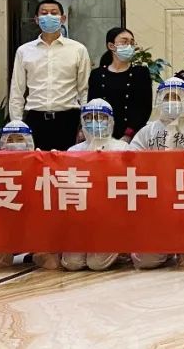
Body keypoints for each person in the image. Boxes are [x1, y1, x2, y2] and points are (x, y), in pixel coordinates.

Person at [129, 78, 184, 269]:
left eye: (176, 97)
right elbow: (131, 160)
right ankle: (165, 248)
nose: (171, 102)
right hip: (156, 202)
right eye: (167, 97)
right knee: (146, 261)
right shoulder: (147, 132)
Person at [0, 122, 61, 272]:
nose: (14, 144)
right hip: (5, 222)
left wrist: (53, 163)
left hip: (32, 223)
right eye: (10, 139)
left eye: (19, 139)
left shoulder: (41, 163)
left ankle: (43, 253)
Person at [7, 0, 92, 151]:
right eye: (44, 13)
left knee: (66, 164)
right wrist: (16, 124)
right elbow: (17, 91)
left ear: (63, 18)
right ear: (36, 19)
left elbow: (84, 89)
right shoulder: (24, 51)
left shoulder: (78, 50)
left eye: (54, 13)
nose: (49, 16)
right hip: (35, 119)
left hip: (68, 119)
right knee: (36, 164)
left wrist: (85, 126)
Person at [62, 100, 129, 272]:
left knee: (97, 264)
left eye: (100, 117)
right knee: (72, 264)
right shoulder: (73, 151)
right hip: (81, 217)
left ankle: (121, 247)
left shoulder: (123, 148)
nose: (95, 122)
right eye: (89, 118)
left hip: (111, 217)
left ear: (110, 121)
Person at [87, 27, 152, 143]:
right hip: (102, 135)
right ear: (111, 46)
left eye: (131, 43)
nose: (129, 46)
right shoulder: (97, 74)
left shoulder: (140, 73)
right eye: (124, 42)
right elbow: (92, 106)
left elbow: (144, 108)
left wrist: (128, 135)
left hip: (133, 136)